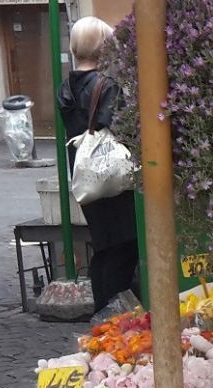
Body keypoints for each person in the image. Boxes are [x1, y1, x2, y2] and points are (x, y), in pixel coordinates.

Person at [57, 17, 139, 313]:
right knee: (125, 244)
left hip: (84, 173)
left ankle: (104, 311)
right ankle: (114, 313)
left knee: (104, 243)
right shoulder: (108, 84)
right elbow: (121, 127)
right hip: (111, 173)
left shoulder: (66, 85)